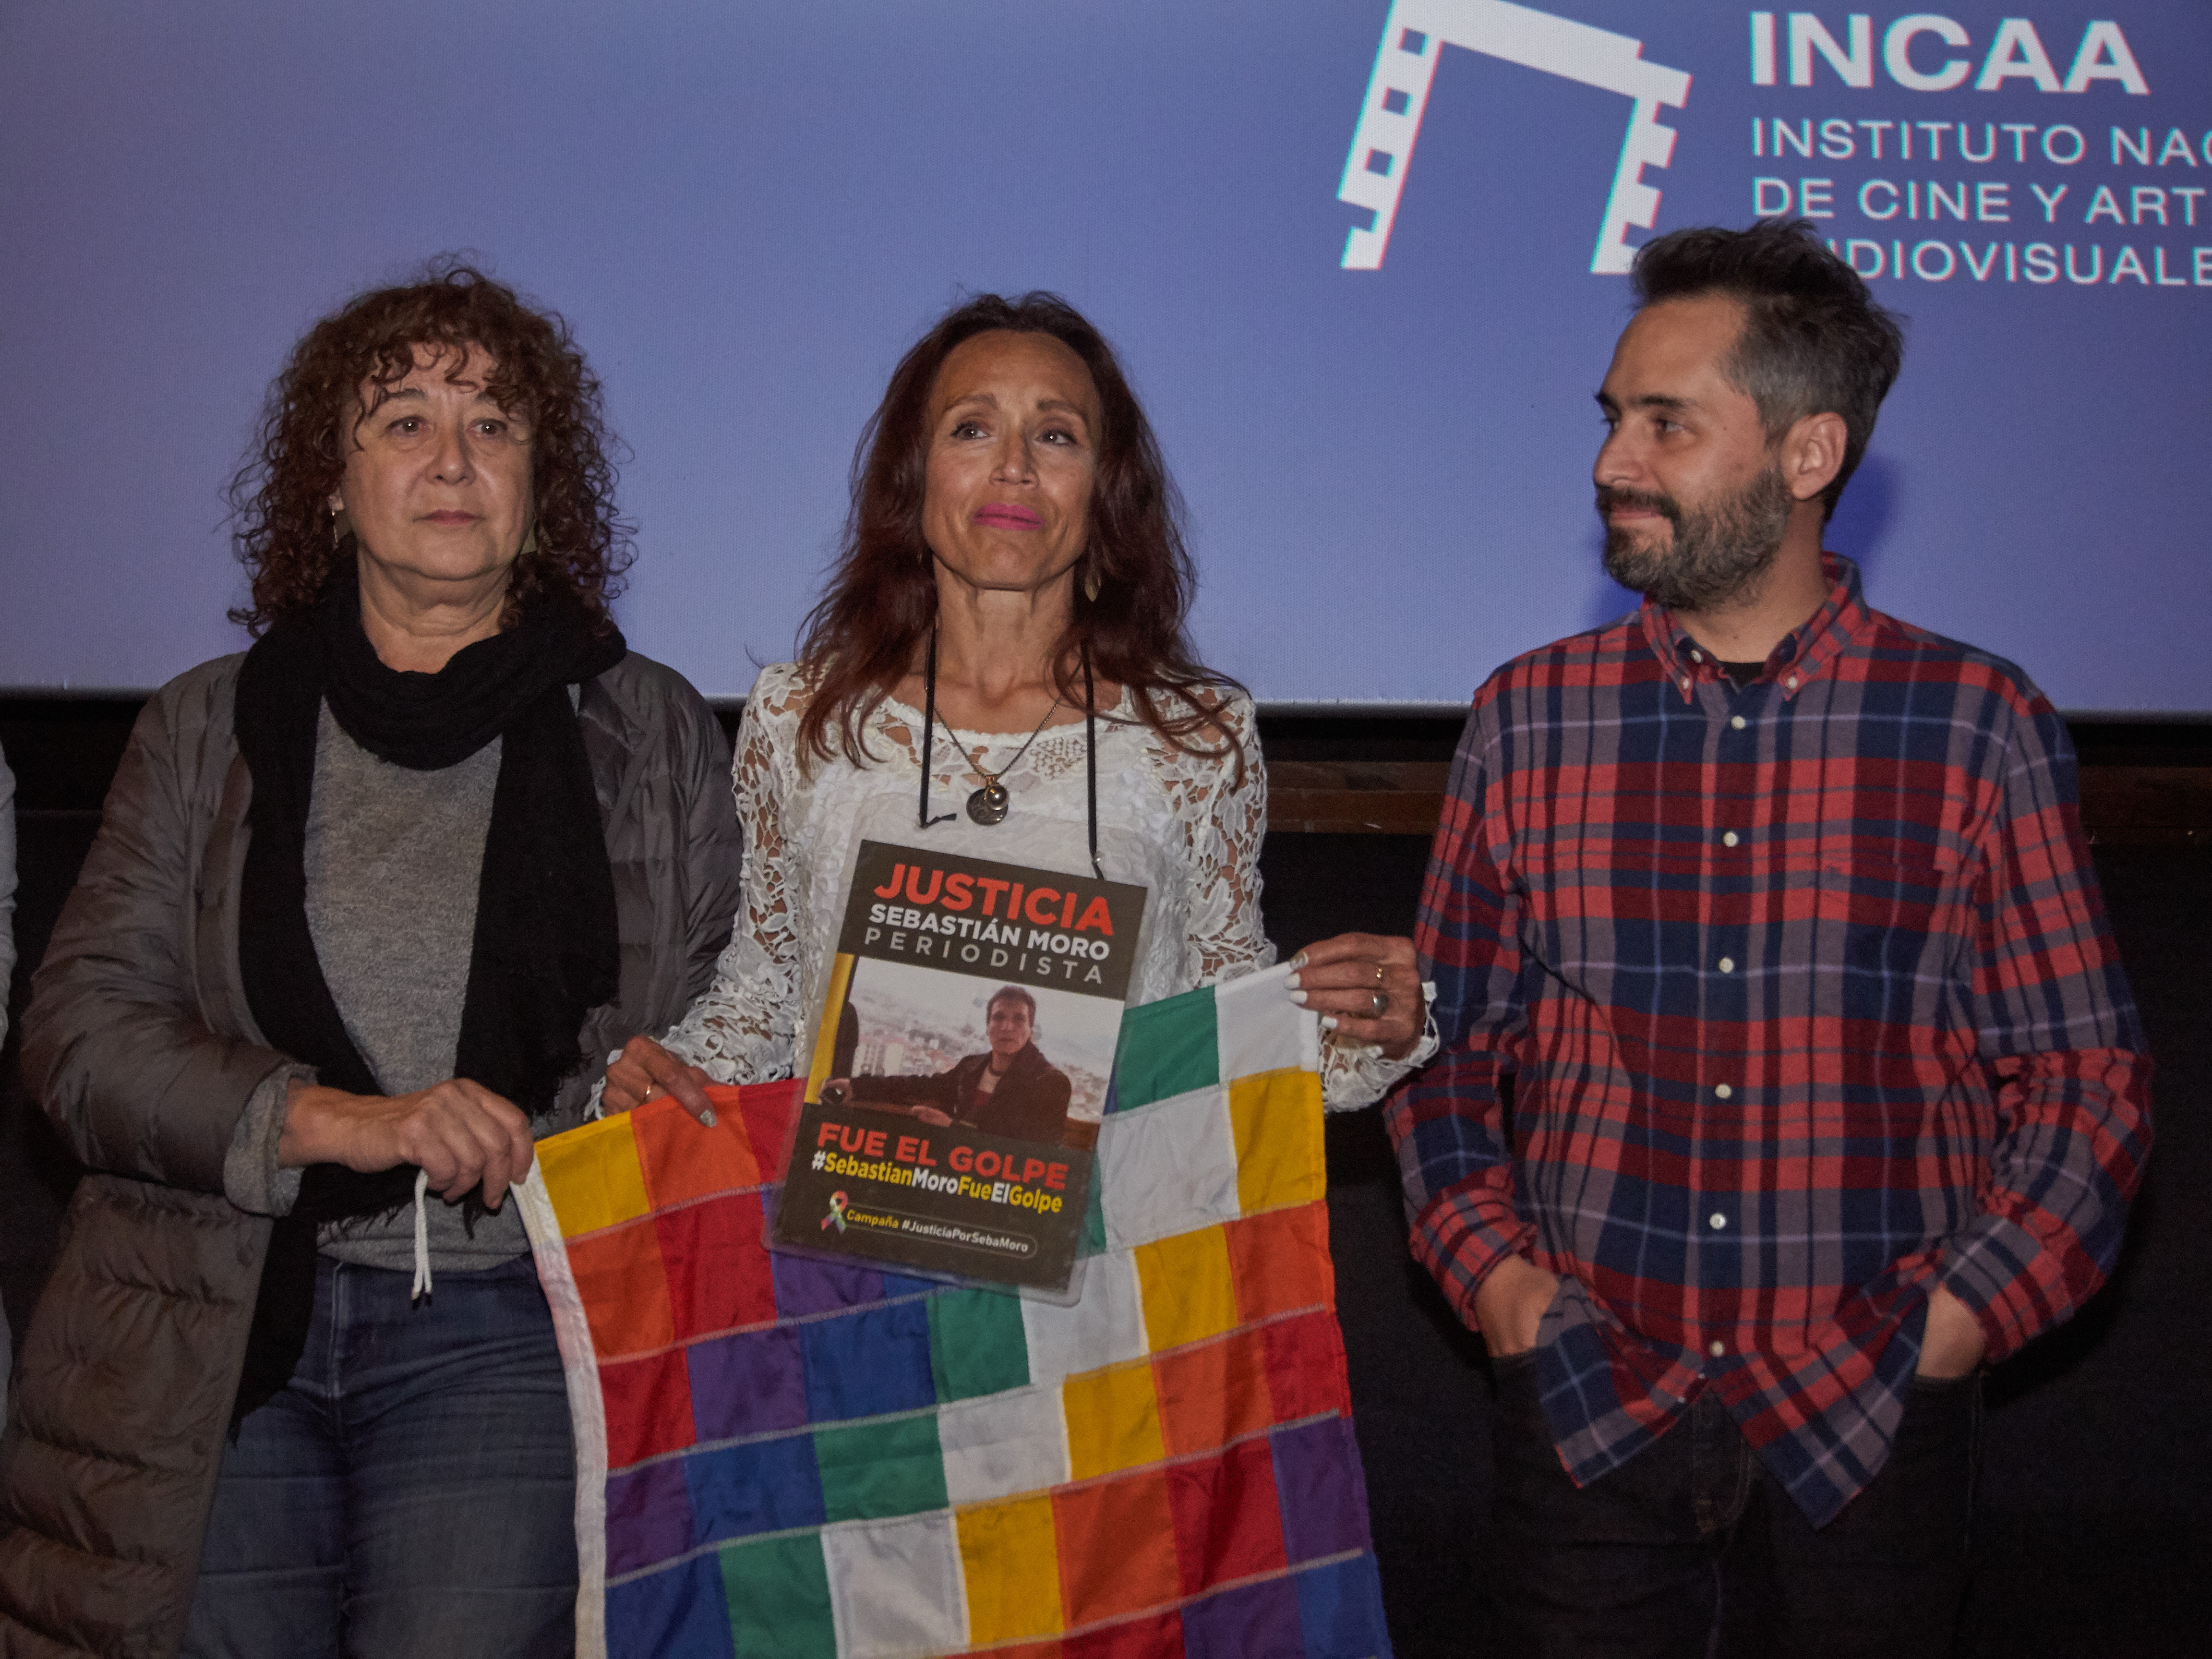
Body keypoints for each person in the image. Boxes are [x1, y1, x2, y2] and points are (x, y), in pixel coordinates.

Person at [1387, 220, 2150, 1656]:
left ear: (1809, 454)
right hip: (1589, 1414)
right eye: (1613, 418)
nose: (1613, 461)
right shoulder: (1525, 717)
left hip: (1874, 1423)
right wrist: (1499, 1283)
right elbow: (1444, 1048)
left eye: (1665, 423)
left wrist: (1958, 1322)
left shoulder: (1978, 724)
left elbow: (2085, 1079)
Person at [1, 263, 743, 1658]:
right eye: (405, 422)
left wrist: (654, 1087)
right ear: (333, 488)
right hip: (214, 1320)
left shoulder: (648, 729)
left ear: (539, 487)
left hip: (509, 1312)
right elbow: (80, 1036)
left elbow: (719, 1011)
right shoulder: (206, 726)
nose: (453, 460)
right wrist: (340, 1121)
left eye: (493, 425)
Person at [605, 291, 1432, 1121]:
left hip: (1112, 1203)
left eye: (1056, 435)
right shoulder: (801, 718)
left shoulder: (1196, 738)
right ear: (914, 476)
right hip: (856, 1196)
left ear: (1104, 491)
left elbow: (1221, 1023)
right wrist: (670, 1078)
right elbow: (765, 995)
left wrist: (1364, 1028)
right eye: (971, 429)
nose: (1014, 466)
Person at [838, 985, 1075, 1142]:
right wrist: (858, 1086)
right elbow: (924, 1086)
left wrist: (952, 1128)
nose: (1007, 1027)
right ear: (988, 1028)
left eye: (1019, 1019)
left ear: (1031, 1031)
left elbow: (1030, 1152)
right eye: (999, 1017)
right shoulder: (972, 1067)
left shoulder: (1051, 1083)